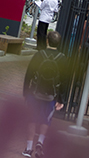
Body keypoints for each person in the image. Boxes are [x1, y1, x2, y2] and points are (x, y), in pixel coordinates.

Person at [22, 30, 66, 158]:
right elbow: (65, 81)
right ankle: (40, 142)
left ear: (47, 41)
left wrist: (26, 91)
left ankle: (29, 148)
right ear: (59, 43)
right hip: (51, 95)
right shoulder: (63, 59)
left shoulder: (39, 55)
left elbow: (29, 74)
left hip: (35, 92)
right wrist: (61, 99)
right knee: (46, 120)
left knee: (31, 119)